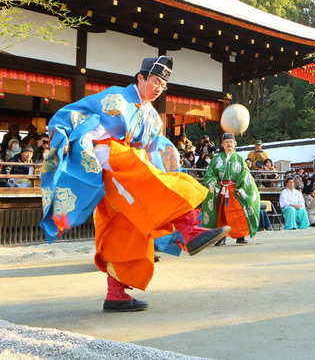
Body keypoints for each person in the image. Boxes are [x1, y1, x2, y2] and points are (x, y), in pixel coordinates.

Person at [40, 56, 230, 312]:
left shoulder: (151, 114)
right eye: (156, 80)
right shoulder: (117, 98)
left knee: (127, 228)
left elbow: (159, 147)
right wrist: (73, 145)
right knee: (155, 185)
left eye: (164, 83)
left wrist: (171, 163)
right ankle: (190, 231)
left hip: (127, 160)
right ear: (140, 78)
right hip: (108, 157)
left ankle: (116, 294)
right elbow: (75, 115)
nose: (160, 86)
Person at [201, 133, 260, 245]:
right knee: (221, 213)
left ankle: (240, 235)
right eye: (226, 142)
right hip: (221, 189)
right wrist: (213, 180)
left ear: (235, 144)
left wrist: (241, 188)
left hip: (235, 189)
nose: (229, 144)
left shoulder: (240, 159)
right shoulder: (216, 158)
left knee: (238, 211)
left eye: (231, 142)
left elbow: (245, 174)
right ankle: (221, 237)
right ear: (223, 144)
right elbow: (209, 174)